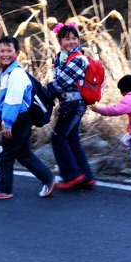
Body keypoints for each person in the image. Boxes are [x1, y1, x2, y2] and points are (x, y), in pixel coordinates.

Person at [0, 36, 56, 199]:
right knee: (23, 153)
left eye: (9, 51)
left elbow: (13, 100)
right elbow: (3, 97)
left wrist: (7, 123)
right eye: (2, 51)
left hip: (18, 119)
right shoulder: (6, 72)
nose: (5, 54)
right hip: (20, 118)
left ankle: (4, 190)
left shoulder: (15, 73)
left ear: (17, 53)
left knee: (4, 154)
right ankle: (48, 179)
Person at [44, 21, 96, 189]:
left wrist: (43, 91)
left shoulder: (79, 59)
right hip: (70, 103)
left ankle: (72, 176)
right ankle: (86, 176)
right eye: (67, 39)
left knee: (58, 138)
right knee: (72, 139)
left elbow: (62, 82)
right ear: (60, 41)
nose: (72, 42)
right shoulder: (61, 57)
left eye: (75, 38)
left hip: (73, 104)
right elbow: (59, 81)